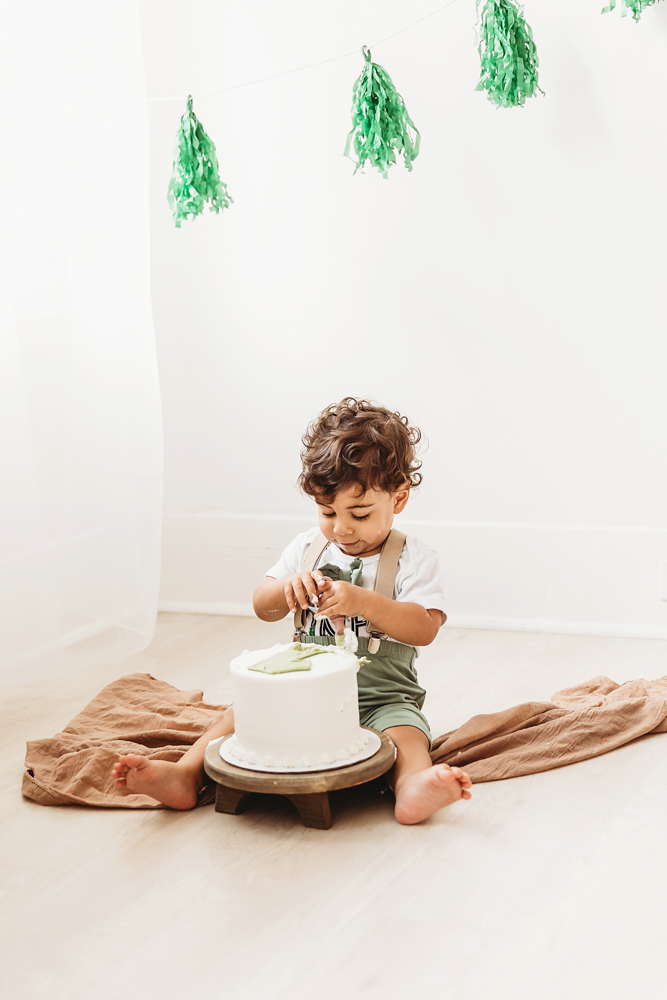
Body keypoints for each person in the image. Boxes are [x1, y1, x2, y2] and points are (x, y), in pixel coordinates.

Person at [112, 398, 472, 823]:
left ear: (399, 499)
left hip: (382, 698)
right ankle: (187, 775)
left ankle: (411, 787)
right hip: (302, 695)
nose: (341, 527)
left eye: (359, 513)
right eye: (327, 511)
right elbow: (261, 606)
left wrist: (363, 601)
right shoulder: (307, 549)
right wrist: (287, 589)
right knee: (238, 717)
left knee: (407, 737)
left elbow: (424, 627)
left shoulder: (414, 558)